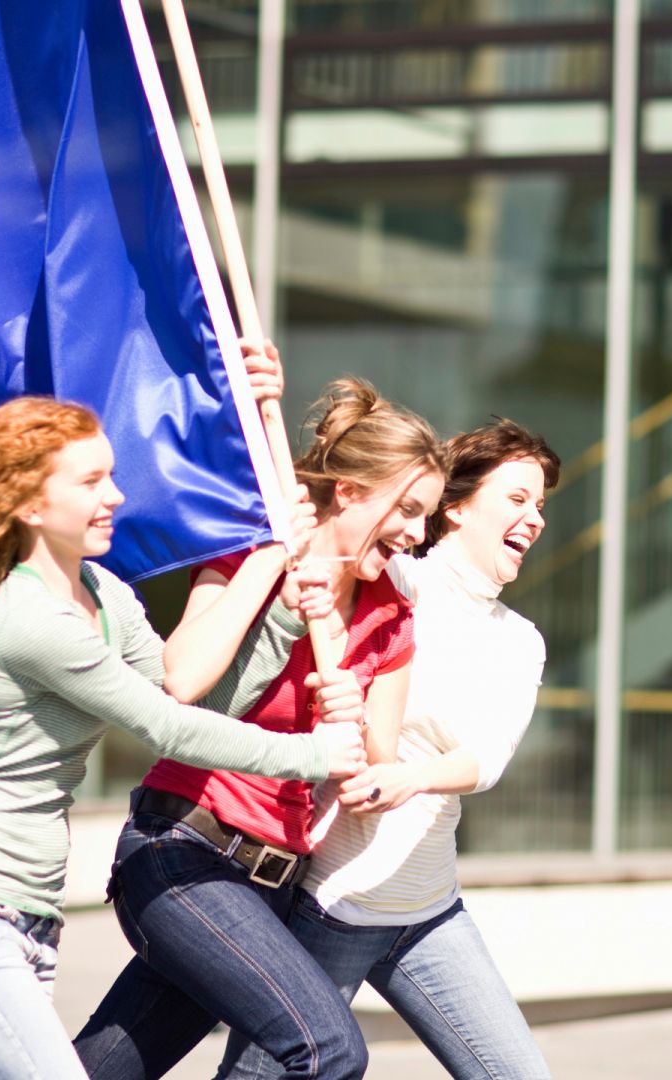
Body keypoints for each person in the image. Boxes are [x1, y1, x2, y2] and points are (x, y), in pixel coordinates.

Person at [0, 347, 370, 1080]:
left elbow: (192, 698)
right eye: (90, 480)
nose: (114, 494)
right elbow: (168, 730)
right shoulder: (29, 616)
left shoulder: (105, 596)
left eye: (111, 474)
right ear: (28, 503)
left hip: (23, 922)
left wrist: (280, 622)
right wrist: (315, 751)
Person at [73, 377, 447, 1080]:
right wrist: (277, 575)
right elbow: (182, 692)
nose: (415, 536)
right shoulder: (247, 555)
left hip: (274, 887)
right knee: (327, 1050)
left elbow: (374, 774)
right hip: (184, 852)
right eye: (408, 509)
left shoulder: (389, 617)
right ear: (350, 492)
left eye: (426, 519)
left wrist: (354, 718)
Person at [215, 418, 560, 1080]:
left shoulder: (521, 640)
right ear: (454, 507)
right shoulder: (395, 578)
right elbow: (329, 524)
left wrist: (410, 779)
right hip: (334, 905)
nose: (535, 518)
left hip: (430, 910)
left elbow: (488, 759)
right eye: (517, 498)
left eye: (541, 505)